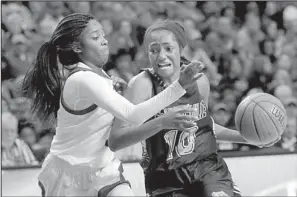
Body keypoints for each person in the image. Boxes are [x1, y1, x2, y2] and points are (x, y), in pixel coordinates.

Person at [21, 13, 204, 197]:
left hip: (102, 169)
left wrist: (119, 94)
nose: (104, 41)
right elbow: (133, 114)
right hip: (69, 171)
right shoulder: (82, 79)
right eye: (95, 37)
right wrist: (178, 88)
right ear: (77, 47)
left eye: (103, 35)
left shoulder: (101, 76)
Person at [111, 20, 275, 197]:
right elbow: (116, 141)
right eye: (154, 50)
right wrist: (161, 122)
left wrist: (250, 138)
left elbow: (203, 127)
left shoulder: (199, 81)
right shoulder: (141, 85)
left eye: (168, 48)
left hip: (208, 169)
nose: (161, 56)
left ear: (181, 48)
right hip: (165, 179)